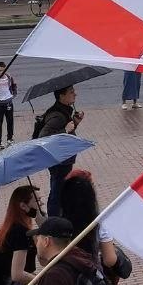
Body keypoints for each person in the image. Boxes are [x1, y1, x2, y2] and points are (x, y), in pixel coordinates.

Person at [36, 84, 84, 218]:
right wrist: (65, 130)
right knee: (57, 191)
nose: (75, 94)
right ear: (61, 96)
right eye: (71, 92)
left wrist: (75, 122)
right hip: (59, 161)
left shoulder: (64, 110)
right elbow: (43, 137)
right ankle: (54, 221)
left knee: (60, 190)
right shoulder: (57, 115)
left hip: (62, 159)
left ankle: (58, 218)